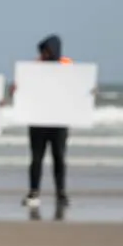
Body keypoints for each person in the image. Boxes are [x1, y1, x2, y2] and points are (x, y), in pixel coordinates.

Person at [21, 34, 73, 209]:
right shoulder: (35, 67)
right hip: (38, 121)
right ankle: (34, 192)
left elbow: (76, 87)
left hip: (59, 121)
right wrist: (18, 88)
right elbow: (26, 89)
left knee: (59, 157)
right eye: (43, 51)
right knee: (36, 158)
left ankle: (61, 193)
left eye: (48, 51)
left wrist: (88, 92)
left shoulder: (67, 66)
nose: (45, 54)